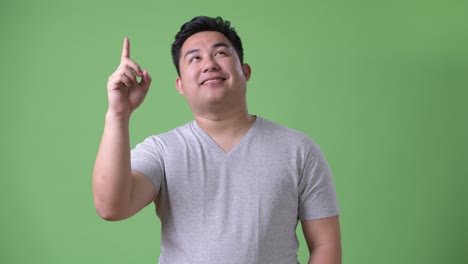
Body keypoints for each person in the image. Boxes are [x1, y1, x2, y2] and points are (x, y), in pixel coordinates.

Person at [93, 16, 341, 264]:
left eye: (220, 53)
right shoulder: (161, 151)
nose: (209, 64)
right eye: (195, 58)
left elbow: (325, 244)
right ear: (180, 84)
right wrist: (118, 114)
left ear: (245, 72)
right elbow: (112, 207)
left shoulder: (298, 150)